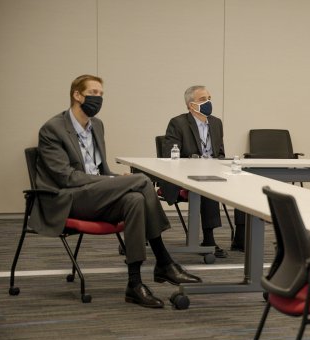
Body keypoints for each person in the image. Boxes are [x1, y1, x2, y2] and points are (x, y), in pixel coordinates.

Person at [30, 74, 201, 308]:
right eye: (93, 93)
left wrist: (113, 180)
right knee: (141, 180)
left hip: (96, 195)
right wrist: (110, 181)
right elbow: (66, 178)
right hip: (68, 198)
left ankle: (134, 283)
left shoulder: (97, 126)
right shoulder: (53, 129)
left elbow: (101, 168)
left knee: (134, 200)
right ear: (77, 95)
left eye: (101, 94)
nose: (98, 99)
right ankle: (163, 261)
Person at [162, 85, 246, 255]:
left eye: (209, 98)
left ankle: (241, 238)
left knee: (244, 185)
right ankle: (209, 240)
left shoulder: (216, 123)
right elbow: (170, 154)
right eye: (202, 100)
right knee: (208, 184)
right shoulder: (177, 123)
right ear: (190, 105)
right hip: (187, 177)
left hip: (214, 172)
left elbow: (220, 153)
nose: (208, 102)